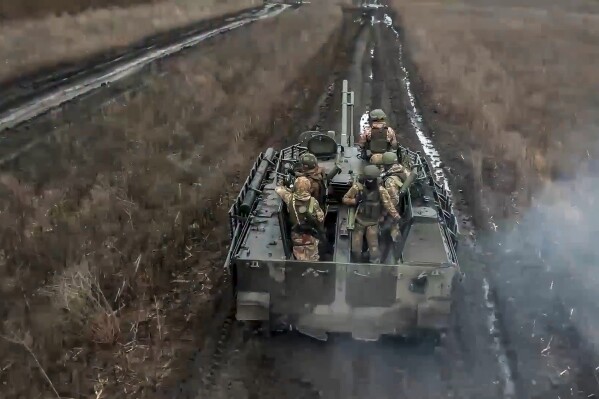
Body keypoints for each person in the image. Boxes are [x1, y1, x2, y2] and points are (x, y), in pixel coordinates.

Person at [342, 164, 400, 263]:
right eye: (368, 179)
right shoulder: (358, 187)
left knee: (374, 248)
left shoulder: (381, 190)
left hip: (373, 223)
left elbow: (389, 205)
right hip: (359, 222)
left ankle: (374, 265)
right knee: (356, 248)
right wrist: (355, 201)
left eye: (372, 179)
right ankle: (355, 265)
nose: (370, 182)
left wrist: (397, 217)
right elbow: (345, 198)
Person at [275, 176, 325, 261]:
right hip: (310, 236)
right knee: (313, 258)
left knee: (299, 258)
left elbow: (278, 189)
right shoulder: (314, 202)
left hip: (297, 236)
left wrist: (282, 182)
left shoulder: (290, 198)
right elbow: (320, 218)